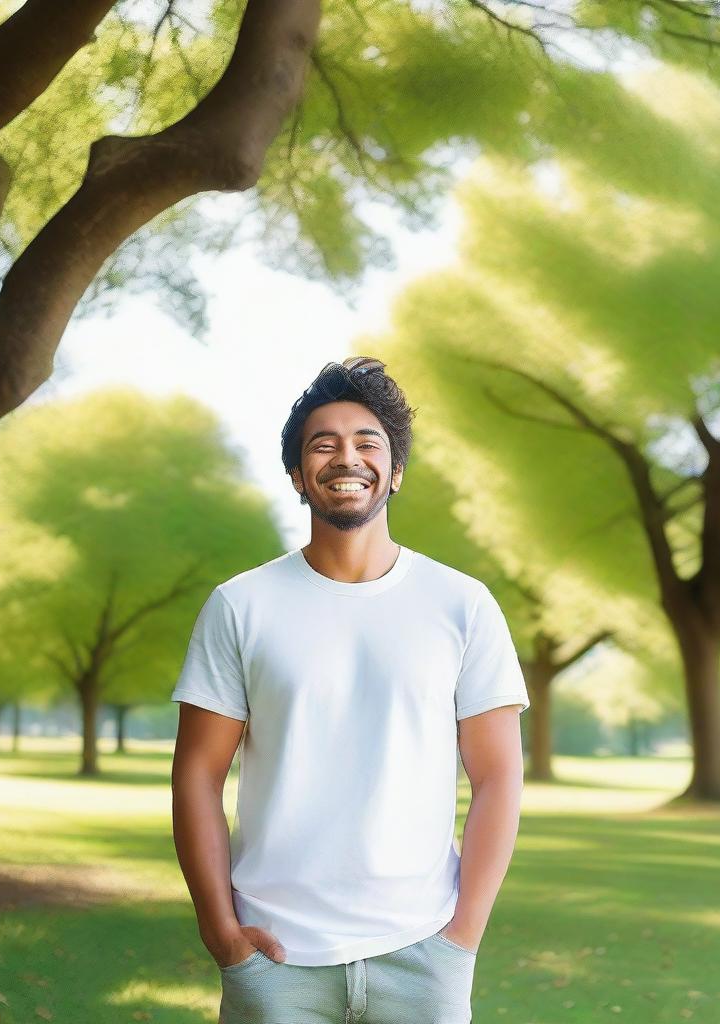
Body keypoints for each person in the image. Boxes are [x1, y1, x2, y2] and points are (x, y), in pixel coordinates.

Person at [170, 356, 530, 1023]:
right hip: (276, 961)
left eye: (368, 442)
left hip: (424, 953)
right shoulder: (240, 605)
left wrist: (463, 938)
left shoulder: (462, 605)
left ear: (394, 472)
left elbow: (500, 775)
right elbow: (197, 773)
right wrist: (221, 934)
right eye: (323, 443)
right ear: (298, 476)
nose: (347, 456)